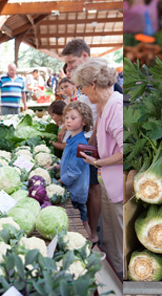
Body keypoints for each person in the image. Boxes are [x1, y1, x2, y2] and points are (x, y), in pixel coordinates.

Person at [73, 57, 125, 272]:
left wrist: (99, 161)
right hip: (108, 181)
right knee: (110, 236)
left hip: (118, 183)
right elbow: (99, 133)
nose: (83, 93)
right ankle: (115, 276)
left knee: (120, 238)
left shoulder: (117, 107)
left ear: (92, 84)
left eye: (83, 87)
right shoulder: (105, 105)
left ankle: (124, 279)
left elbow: (125, 150)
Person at [59, 101, 93, 239]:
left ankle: (89, 242)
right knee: (81, 219)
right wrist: (57, 166)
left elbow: (74, 172)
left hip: (76, 192)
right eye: (67, 117)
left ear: (84, 121)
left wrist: (60, 181)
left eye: (73, 118)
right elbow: (70, 163)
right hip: (73, 190)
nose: (68, 121)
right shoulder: (72, 140)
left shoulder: (80, 145)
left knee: (82, 221)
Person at [61, 39, 97, 121]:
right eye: (67, 63)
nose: (68, 67)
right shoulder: (82, 81)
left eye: (71, 62)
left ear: (84, 56)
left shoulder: (100, 78)